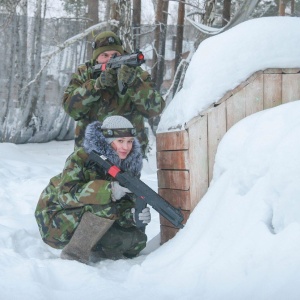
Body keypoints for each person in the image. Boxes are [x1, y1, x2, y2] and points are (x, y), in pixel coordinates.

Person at [35, 115, 151, 264]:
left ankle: (94, 243)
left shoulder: (129, 166)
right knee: (105, 206)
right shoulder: (82, 158)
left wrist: (133, 216)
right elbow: (66, 197)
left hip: (92, 219)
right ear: (107, 141)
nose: (125, 147)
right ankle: (74, 257)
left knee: (137, 241)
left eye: (129, 141)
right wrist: (109, 190)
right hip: (55, 219)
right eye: (120, 141)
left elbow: (123, 205)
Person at [62, 30, 165, 156]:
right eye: (104, 55)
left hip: (127, 153)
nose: (110, 59)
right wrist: (95, 86)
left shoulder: (135, 73)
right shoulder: (85, 73)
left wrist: (134, 84)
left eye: (115, 54)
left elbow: (156, 108)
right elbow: (70, 109)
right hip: (90, 152)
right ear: (96, 58)